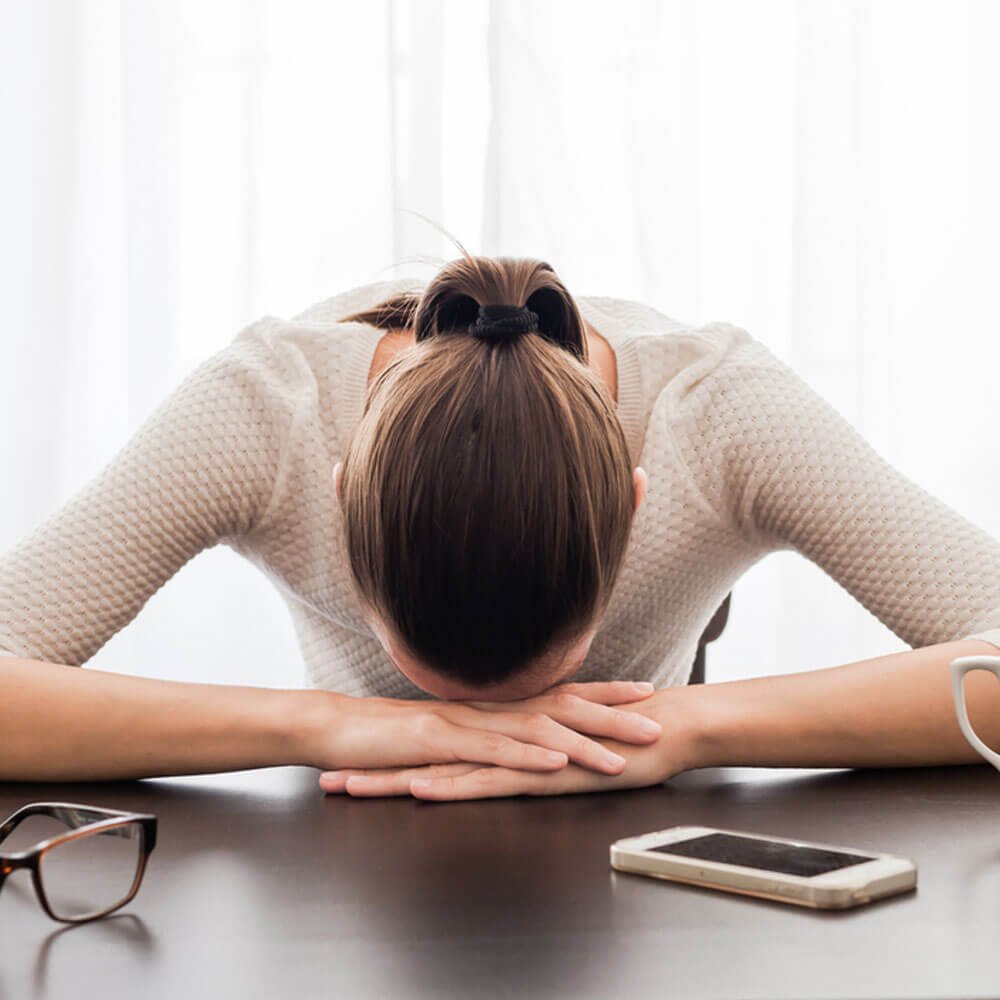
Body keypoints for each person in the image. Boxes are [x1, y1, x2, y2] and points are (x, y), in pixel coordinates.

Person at [3, 252, 1000, 801]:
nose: (494, 725)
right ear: (341, 494)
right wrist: (313, 723)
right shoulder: (270, 410)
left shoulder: (717, 411)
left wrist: (682, 729)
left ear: (637, 505)